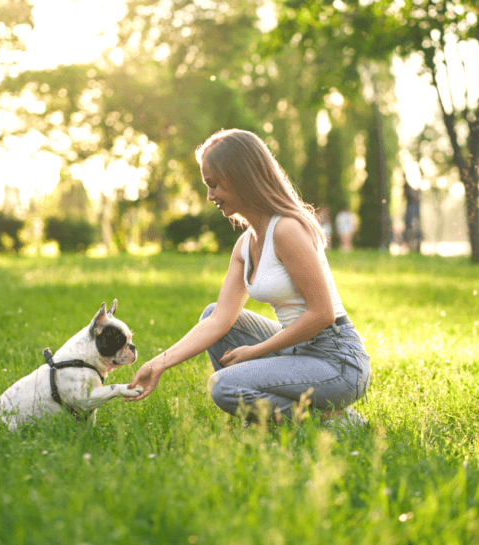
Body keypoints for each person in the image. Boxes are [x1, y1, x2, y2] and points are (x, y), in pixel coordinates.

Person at [126, 129, 370, 427]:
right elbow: (219, 322)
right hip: (297, 349)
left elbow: (321, 314)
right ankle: (263, 418)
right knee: (212, 314)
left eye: (214, 184)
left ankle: (334, 421)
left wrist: (255, 352)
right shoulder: (245, 244)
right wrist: (158, 364)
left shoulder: (287, 230)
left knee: (223, 385)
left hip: (337, 361)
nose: (209, 195)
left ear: (242, 176)